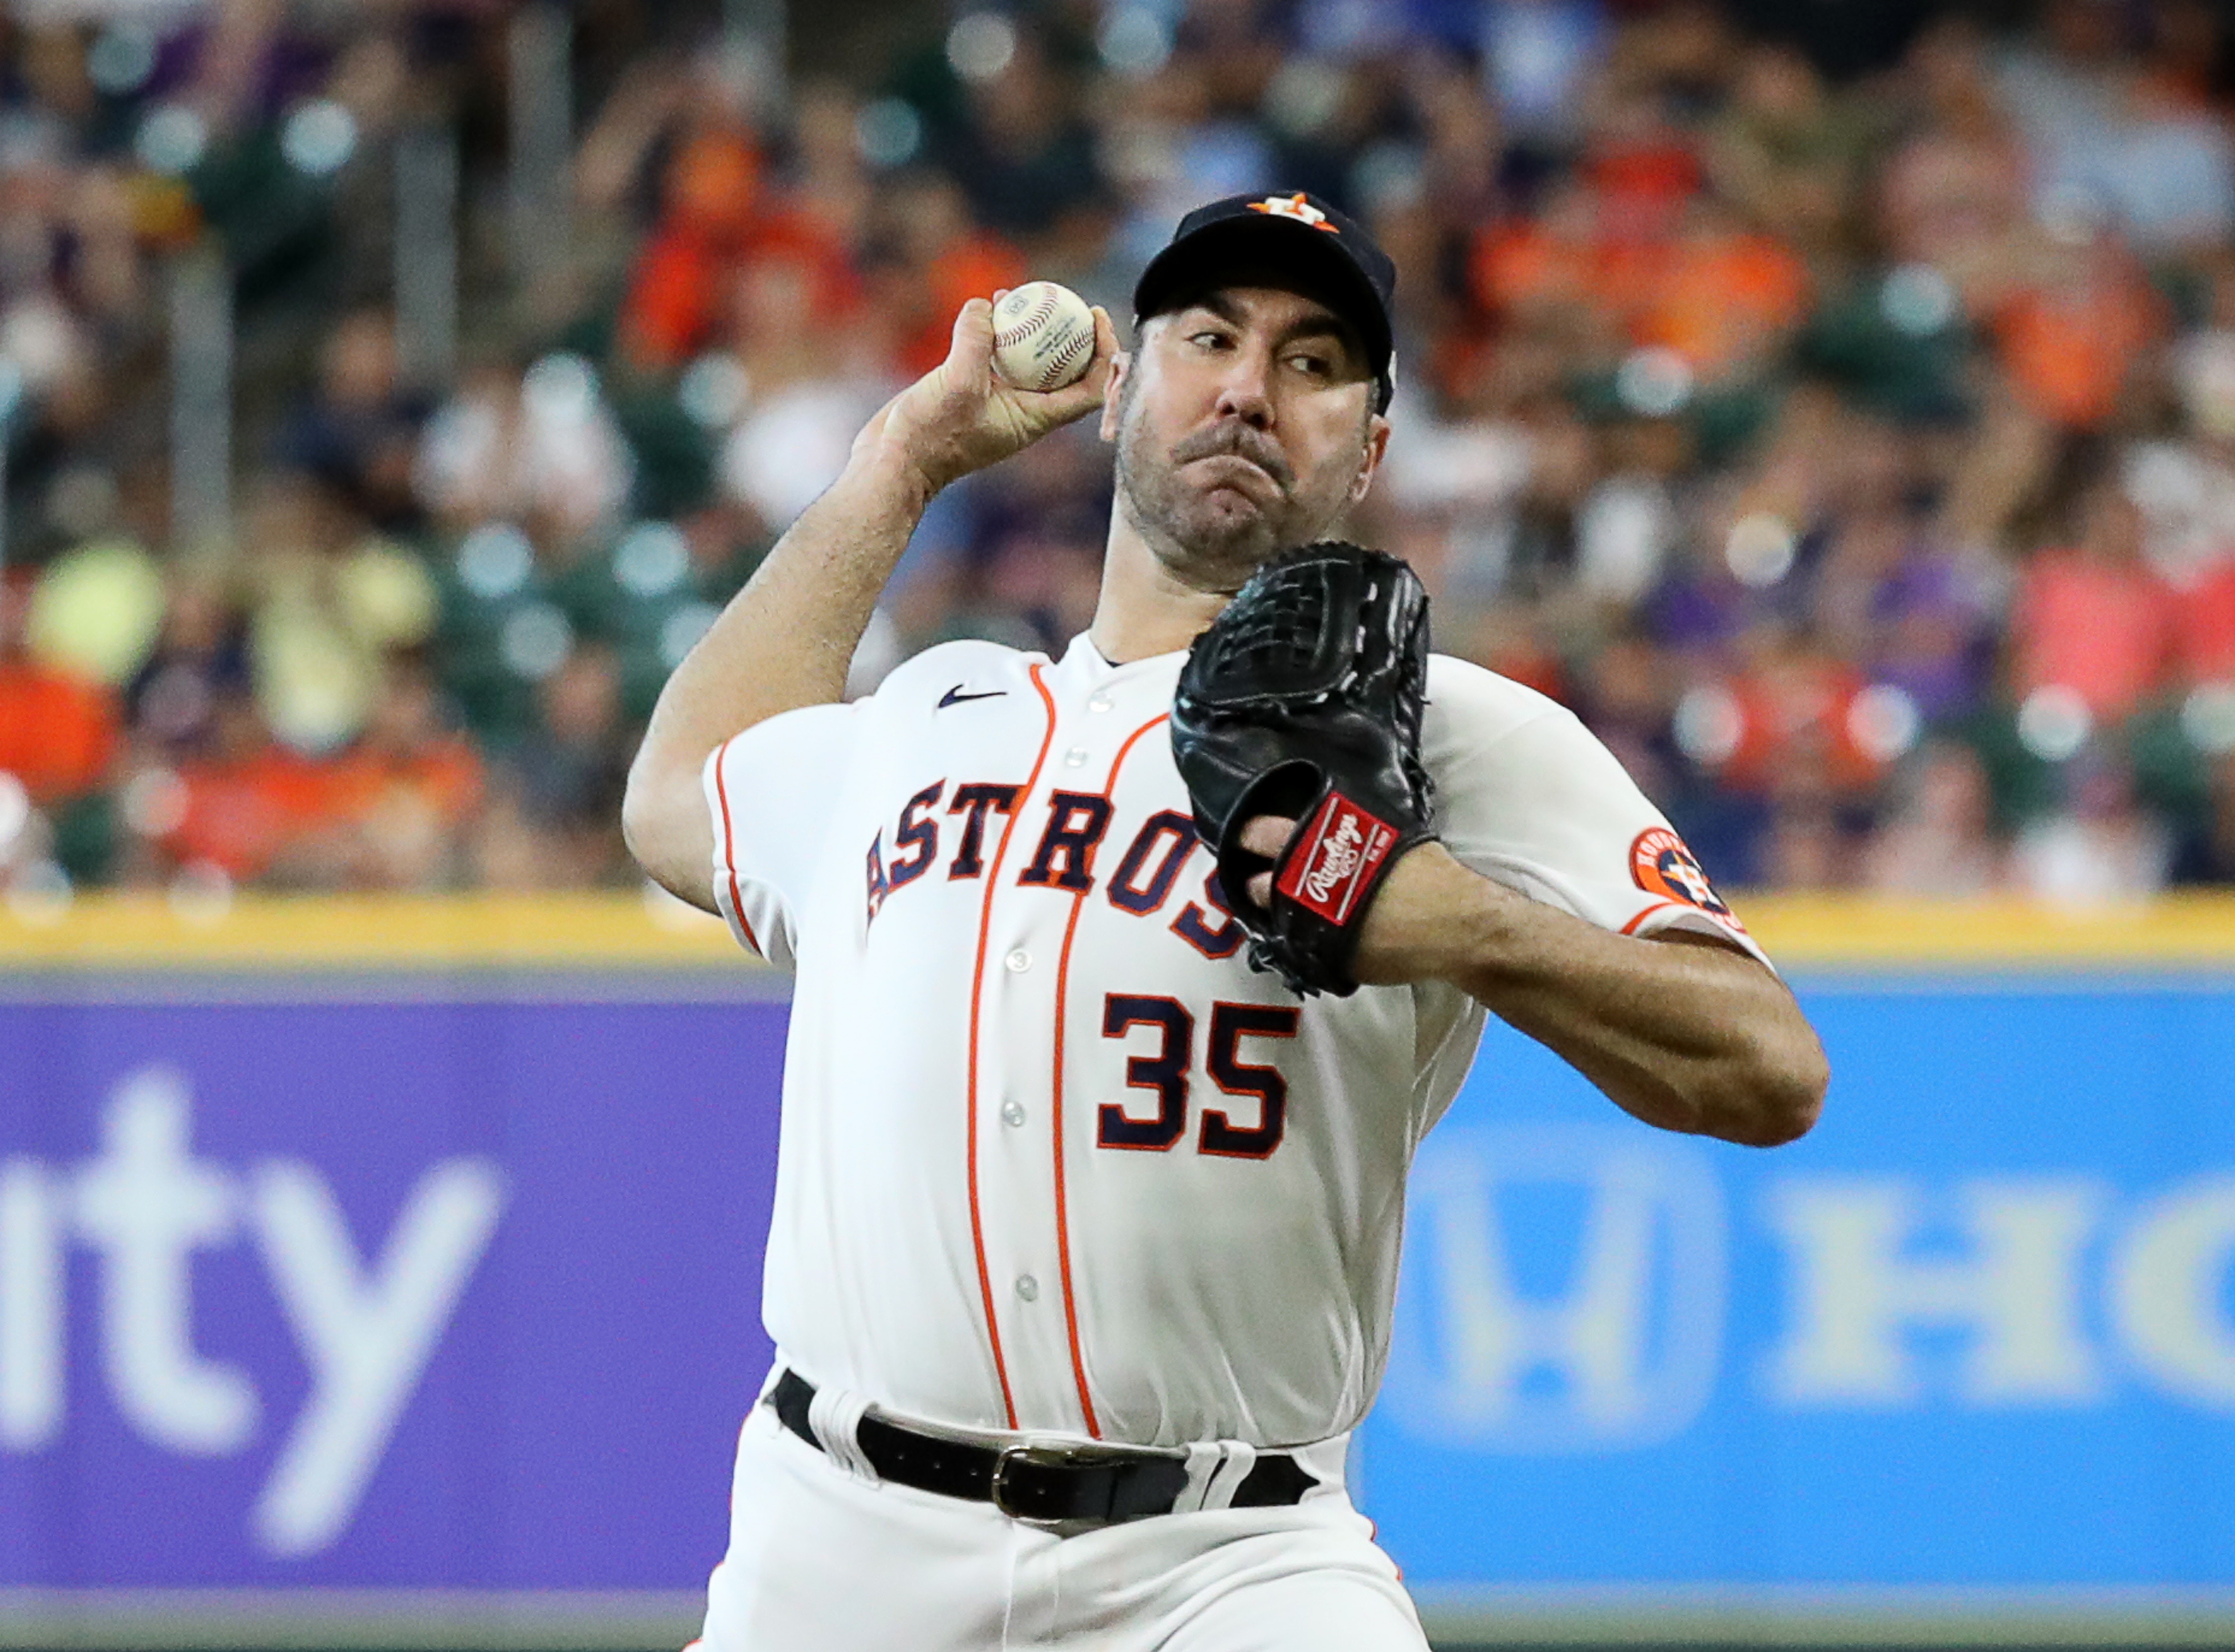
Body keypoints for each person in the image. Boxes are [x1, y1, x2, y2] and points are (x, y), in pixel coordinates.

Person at [622, 192, 1829, 1651]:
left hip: (1228, 1562)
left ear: (1370, 446)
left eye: (1316, 363)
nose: (1252, 389)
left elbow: (1766, 1069)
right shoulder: (935, 711)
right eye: (1210, 338)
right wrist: (906, 457)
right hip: (835, 1548)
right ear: (1124, 383)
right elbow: (678, 796)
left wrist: (1467, 926)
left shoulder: (1446, 732)